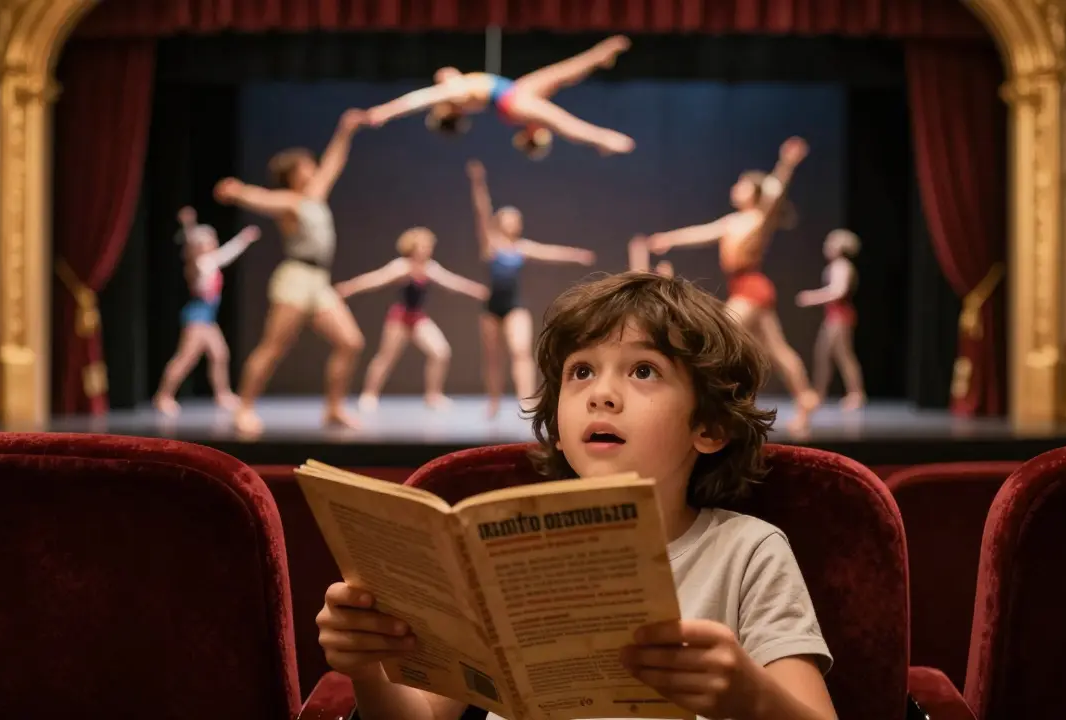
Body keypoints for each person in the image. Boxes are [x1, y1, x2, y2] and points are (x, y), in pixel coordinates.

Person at [314, 271, 838, 720]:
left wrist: (749, 695)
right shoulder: (494, 558)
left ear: (709, 426)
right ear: (559, 430)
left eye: (643, 370)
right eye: (580, 371)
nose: (601, 394)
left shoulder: (747, 552)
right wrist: (366, 663)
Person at [648, 137, 820, 435]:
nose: (735, 188)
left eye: (741, 185)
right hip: (744, 287)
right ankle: (805, 398)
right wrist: (669, 238)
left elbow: (776, 191)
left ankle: (716, 406)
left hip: (752, 287)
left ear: (754, 194)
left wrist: (786, 164)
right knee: (776, 349)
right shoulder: (733, 221)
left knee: (720, 334)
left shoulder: (758, 218)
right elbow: (701, 232)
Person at [213, 108, 368, 434]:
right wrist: (237, 191)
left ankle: (334, 409)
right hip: (296, 278)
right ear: (295, 174)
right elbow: (262, 199)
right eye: (306, 166)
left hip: (319, 280)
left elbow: (333, 163)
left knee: (350, 342)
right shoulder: (290, 201)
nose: (313, 168)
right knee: (274, 346)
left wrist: (345, 130)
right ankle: (244, 409)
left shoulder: (316, 196)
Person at [466, 159, 596, 418]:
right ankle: (492, 402)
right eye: (511, 219)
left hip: (514, 306)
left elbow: (550, 252)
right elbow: (482, 211)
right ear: (500, 222)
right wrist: (478, 183)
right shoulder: (490, 244)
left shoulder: (521, 247)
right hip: (491, 308)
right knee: (493, 359)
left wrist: (575, 255)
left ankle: (525, 400)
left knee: (521, 351)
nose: (516, 223)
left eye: (518, 220)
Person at [365, 36, 635, 158]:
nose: (442, 75)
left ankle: (598, 58)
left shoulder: (460, 93)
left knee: (563, 73)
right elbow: (416, 100)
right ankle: (603, 140)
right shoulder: (454, 94)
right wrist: (385, 111)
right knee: (561, 121)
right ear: (445, 112)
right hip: (511, 100)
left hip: (513, 93)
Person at [334, 226, 490, 411]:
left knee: (440, 352)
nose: (427, 249)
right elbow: (376, 279)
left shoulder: (430, 267)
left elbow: (453, 282)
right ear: (413, 247)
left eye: (429, 246)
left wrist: (477, 290)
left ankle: (433, 396)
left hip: (417, 318)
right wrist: (349, 287)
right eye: (423, 246)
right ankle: (369, 395)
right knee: (386, 357)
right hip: (399, 318)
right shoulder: (402, 266)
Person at [153, 207, 259, 416]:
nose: (214, 242)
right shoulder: (199, 264)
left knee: (219, 354)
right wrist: (188, 225)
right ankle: (163, 396)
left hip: (208, 317)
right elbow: (192, 247)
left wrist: (244, 238)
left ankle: (223, 394)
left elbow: (228, 253)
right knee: (186, 358)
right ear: (201, 246)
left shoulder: (211, 261)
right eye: (210, 240)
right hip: (197, 317)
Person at [796, 229, 865, 411]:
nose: (826, 247)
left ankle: (855, 393)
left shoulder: (842, 266)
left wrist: (812, 297)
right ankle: (821, 393)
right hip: (834, 315)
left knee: (840, 355)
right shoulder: (836, 266)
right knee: (827, 354)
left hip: (840, 316)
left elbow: (838, 291)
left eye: (830, 243)